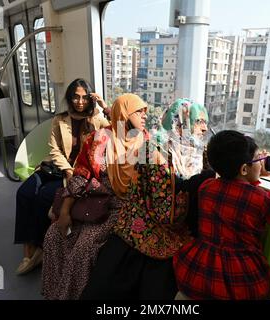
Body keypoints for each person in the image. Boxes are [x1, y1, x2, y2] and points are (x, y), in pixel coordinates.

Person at [79, 99, 213, 300]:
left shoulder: (194, 151)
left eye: (204, 121)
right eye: (198, 121)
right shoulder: (154, 149)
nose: (203, 128)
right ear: (180, 122)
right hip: (146, 226)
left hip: (156, 219)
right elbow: (164, 207)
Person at [173, 130, 270, 300]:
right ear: (244, 168)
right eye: (259, 160)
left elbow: (236, 188)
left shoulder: (206, 187)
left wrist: (254, 173)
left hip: (198, 273)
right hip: (239, 279)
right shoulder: (261, 198)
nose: (262, 163)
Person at [41, 93, 148, 300]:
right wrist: (64, 211)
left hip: (122, 208)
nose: (144, 116)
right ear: (124, 114)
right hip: (92, 200)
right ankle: (55, 292)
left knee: (84, 247)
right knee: (54, 235)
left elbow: (146, 183)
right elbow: (82, 174)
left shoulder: (143, 142)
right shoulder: (101, 139)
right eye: (139, 111)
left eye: (145, 112)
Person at [14, 78, 109, 276]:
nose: (80, 102)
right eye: (76, 97)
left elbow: (119, 130)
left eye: (84, 98)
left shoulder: (97, 119)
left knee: (44, 198)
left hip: (76, 172)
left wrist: (104, 106)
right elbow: (54, 148)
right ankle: (27, 246)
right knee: (24, 193)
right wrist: (66, 168)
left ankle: (38, 246)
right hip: (55, 167)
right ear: (69, 97)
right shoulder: (60, 119)